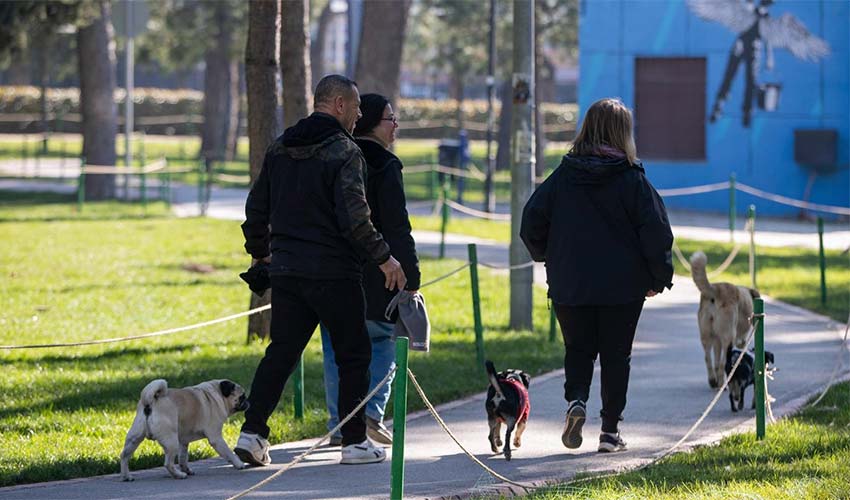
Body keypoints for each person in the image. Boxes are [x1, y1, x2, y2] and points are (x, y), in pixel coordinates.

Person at [234, 75, 406, 466]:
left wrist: (261, 253)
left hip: (287, 271)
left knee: (281, 354)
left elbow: (255, 210)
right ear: (339, 105)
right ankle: (354, 442)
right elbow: (355, 219)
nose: (359, 115)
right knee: (354, 355)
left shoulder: (280, 146)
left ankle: (252, 434)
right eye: (356, 107)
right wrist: (385, 258)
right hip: (334, 272)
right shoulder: (344, 151)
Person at [520, 97, 673, 453]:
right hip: (623, 287)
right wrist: (658, 277)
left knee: (578, 349)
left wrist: (547, 256)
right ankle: (609, 432)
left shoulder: (563, 177)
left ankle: (576, 399)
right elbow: (657, 232)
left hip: (570, 283)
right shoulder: (633, 181)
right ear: (624, 133)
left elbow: (531, 223)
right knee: (616, 356)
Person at [320, 94, 421, 447]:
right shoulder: (385, 165)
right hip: (380, 271)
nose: (395, 125)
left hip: (332, 269)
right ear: (373, 123)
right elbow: (396, 225)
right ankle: (371, 413)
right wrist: (411, 273)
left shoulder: (333, 156)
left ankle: (339, 424)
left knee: (335, 348)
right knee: (382, 341)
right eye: (390, 118)